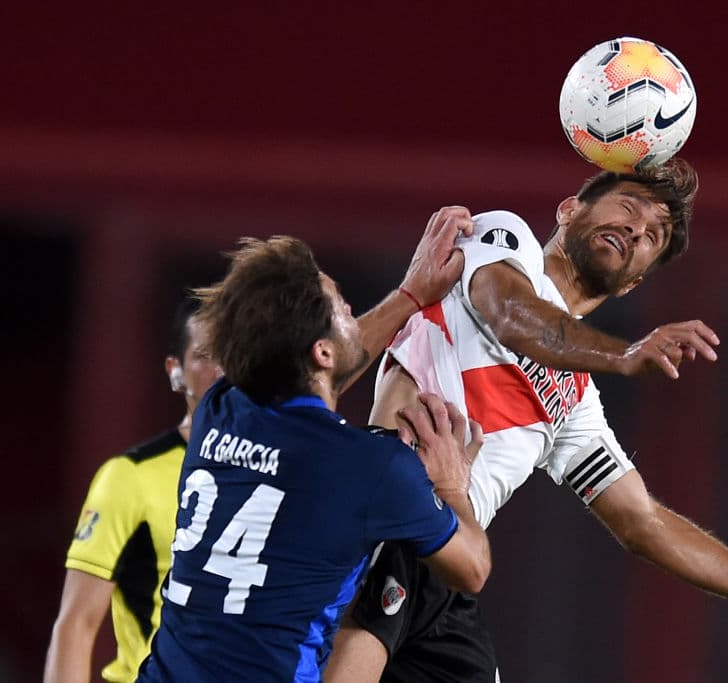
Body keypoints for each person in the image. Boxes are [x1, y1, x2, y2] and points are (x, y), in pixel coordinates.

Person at [325, 158, 728, 683]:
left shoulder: (575, 404)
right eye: (629, 206)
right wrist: (621, 354)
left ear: (635, 283)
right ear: (570, 209)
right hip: (391, 516)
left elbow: (643, 522)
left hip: (447, 566)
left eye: (655, 234)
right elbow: (513, 315)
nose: (638, 229)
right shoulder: (500, 242)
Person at [137, 220, 492, 681]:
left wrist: (410, 294)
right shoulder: (376, 467)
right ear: (321, 352)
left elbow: (314, 370)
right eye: (340, 305)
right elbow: (472, 568)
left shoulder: (218, 410)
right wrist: (452, 484)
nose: (350, 308)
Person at [44, 297, 223, 683]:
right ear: (175, 371)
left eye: (235, 352)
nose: (223, 369)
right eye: (207, 355)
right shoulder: (130, 476)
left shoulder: (277, 469)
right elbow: (77, 622)